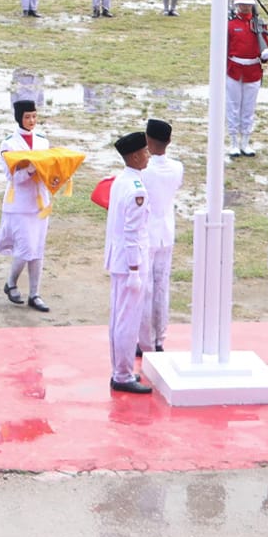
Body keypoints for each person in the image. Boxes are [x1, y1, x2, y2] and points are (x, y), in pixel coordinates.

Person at [102, 131, 152, 394]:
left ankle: (119, 370)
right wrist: (135, 269)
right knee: (127, 321)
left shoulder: (122, 180)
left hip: (118, 258)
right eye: (144, 152)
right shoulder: (137, 190)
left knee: (118, 318)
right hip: (130, 262)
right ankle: (122, 374)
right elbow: (133, 233)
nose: (148, 156)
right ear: (134, 156)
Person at [0, 100, 54, 312]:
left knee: (37, 250)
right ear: (19, 117)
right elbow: (12, 177)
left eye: (34, 116)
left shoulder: (43, 140)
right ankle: (11, 282)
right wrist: (30, 169)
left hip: (40, 203)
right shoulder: (8, 144)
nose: (31, 121)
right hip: (19, 204)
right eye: (27, 117)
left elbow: (50, 169)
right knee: (25, 248)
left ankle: (35, 294)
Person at [140, 118, 183, 356]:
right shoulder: (176, 167)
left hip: (147, 233)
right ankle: (159, 339)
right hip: (166, 232)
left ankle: (145, 340)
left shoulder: (145, 171)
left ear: (148, 140)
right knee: (161, 288)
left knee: (146, 289)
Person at [225, 0, 268, 157]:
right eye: (242, 4)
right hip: (234, 69)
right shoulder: (230, 25)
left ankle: (245, 142)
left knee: (248, 108)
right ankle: (233, 142)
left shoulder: (259, 24)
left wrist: (265, 55)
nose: (244, 7)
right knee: (233, 106)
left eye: (247, 4)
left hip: (253, 70)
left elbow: (264, 45)